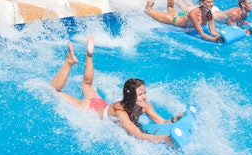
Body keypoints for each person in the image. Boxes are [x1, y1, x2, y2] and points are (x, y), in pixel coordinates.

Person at [50, 35, 180, 144]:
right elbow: (137, 135)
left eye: (144, 93)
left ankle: (89, 55)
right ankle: (69, 62)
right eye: (140, 95)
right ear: (131, 97)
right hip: (89, 109)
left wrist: (176, 119)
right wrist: (163, 139)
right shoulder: (120, 111)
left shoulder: (144, 106)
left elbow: (162, 122)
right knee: (53, 91)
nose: (144, 97)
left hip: (101, 105)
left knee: (87, 84)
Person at [145, 0, 222, 43]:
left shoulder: (209, 14)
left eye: (212, 2)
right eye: (208, 2)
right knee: (148, 10)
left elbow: (213, 31)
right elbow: (202, 34)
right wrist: (215, 40)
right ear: (201, 3)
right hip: (173, 19)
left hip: (181, 16)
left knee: (170, 7)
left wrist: (221, 36)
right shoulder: (194, 14)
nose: (211, 4)